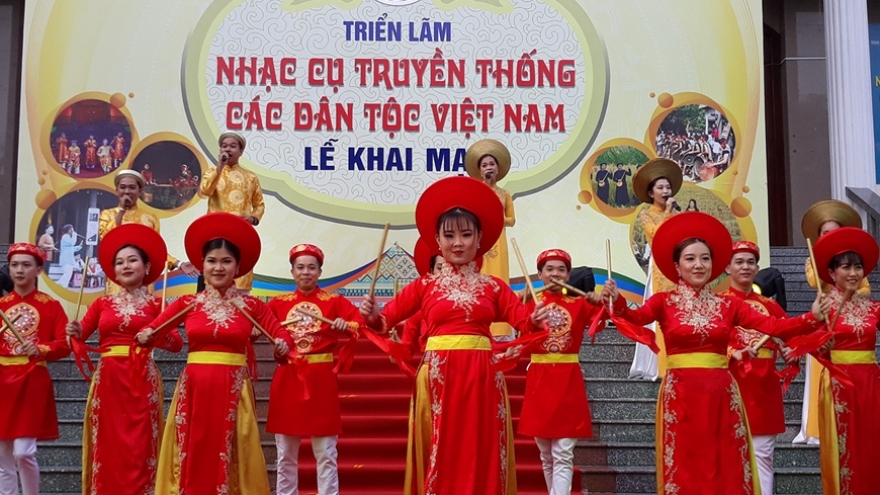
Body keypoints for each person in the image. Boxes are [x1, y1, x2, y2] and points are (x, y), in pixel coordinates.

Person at [604, 212, 829, 495]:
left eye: (705, 258)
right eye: (690, 258)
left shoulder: (727, 306)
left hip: (721, 392)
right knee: (685, 459)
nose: (698, 265)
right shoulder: (663, 301)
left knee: (724, 458)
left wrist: (812, 317)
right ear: (676, 265)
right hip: (680, 394)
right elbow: (636, 318)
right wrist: (618, 301)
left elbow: (774, 326)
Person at [360, 176, 547, 495]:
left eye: (465, 234)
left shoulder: (494, 287)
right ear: (437, 240)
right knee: (440, 446)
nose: (457, 242)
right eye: (449, 235)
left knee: (482, 446)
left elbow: (523, 321)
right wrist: (374, 316)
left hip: (482, 377)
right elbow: (386, 320)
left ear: (479, 239)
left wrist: (536, 318)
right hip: (438, 377)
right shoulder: (424, 285)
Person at [135, 213, 292, 495]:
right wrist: (147, 336)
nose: (218, 268)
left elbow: (281, 335)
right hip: (195, 389)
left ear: (238, 267)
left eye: (226, 261)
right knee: (193, 449)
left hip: (234, 389)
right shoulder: (187, 303)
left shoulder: (252, 306)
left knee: (233, 450)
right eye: (212, 261)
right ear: (201, 265)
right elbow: (152, 330)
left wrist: (282, 346)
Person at [65, 224, 183, 495]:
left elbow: (176, 343)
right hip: (108, 381)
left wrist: (154, 335)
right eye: (119, 263)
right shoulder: (102, 304)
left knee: (141, 445)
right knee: (107, 445)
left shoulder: (157, 305)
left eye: (132, 260)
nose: (125, 266)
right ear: (113, 271)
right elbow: (82, 332)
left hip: (141, 379)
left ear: (146, 266)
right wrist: (74, 332)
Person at [267, 244, 364, 495]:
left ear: (320, 271)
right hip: (288, 379)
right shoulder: (278, 304)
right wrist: (276, 347)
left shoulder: (334, 302)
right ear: (292, 271)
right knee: (286, 453)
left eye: (312, 267)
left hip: (321, 381)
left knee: (326, 452)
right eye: (300, 267)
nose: (306, 272)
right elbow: (261, 327)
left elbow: (359, 324)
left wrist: (346, 324)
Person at [519, 249, 603, 495]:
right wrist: (531, 321)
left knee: (563, 452)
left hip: (568, 381)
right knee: (545, 453)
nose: (555, 273)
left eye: (561, 269)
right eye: (549, 269)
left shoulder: (579, 303)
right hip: (539, 379)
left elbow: (602, 323)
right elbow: (522, 335)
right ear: (540, 274)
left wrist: (601, 303)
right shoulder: (529, 303)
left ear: (567, 275)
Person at [794, 200, 870, 445]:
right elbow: (814, 282)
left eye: (834, 232)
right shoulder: (815, 260)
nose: (830, 236)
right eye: (825, 233)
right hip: (825, 314)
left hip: (852, 315)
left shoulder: (853, 266)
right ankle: (814, 428)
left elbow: (865, 289)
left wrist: (853, 294)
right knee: (820, 370)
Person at [811, 227, 880, 495]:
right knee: (844, 446)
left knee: (872, 444)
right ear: (831, 273)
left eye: (858, 267)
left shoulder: (873, 307)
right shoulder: (824, 307)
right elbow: (807, 344)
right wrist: (821, 345)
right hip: (839, 382)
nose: (853, 273)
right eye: (846, 267)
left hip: (870, 383)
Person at [0, 243, 70, 495]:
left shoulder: (51, 305)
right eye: (15, 265)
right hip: (2, 381)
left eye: (26, 265)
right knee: (3, 455)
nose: (19, 270)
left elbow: (64, 345)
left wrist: (41, 349)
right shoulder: (2, 304)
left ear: (39, 270)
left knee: (23, 452)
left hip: (31, 380)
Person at [722, 241, 790, 495]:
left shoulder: (770, 307)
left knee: (763, 454)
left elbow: (791, 335)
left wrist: (790, 350)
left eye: (750, 262)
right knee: (730, 452)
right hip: (731, 383)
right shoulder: (719, 304)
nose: (745, 267)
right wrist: (734, 353)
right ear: (727, 268)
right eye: (739, 262)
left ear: (757, 267)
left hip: (764, 387)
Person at [99, 170, 198, 294]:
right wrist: (122, 211)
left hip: (144, 282)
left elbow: (155, 251)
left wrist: (179, 264)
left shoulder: (149, 218)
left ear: (140, 191)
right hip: (118, 280)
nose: (127, 191)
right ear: (117, 190)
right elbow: (107, 239)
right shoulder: (107, 215)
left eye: (132, 187)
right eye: (123, 187)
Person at [629, 158, 682, 380]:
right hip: (659, 266)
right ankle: (659, 364)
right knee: (660, 309)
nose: (665, 191)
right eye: (660, 187)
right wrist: (668, 213)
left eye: (667, 187)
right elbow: (659, 236)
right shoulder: (646, 214)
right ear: (651, 193)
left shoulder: (675, 214)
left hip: (676, 267)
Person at [199, 132, 265, 292]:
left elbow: (259, 205)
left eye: (232, 146)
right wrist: (220, 167)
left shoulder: (250, 177)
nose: (227, 149)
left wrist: (253, 219)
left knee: (240, 284)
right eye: (224, 146)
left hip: (240, 235)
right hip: (216, 234)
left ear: (241, 151)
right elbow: (205, 190)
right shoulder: (211, 172)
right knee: (213, 284)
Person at [465, 139, 516, 338]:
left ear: (498, 168)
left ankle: (502, 329)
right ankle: (479, 326)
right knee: (479, 279)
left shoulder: (505, 194)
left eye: (491, 164)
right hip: (479, 241)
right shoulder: (475, 191)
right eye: (484, 165)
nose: (488, 167)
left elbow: (512, 220)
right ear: (480, 170)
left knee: (498, 280)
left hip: (499, 240)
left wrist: (498, 219)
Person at [57, 224, 82, 289]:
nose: (73, 230)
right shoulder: (65, 236)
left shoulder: (68, 238)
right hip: (66, 259)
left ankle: (63, 285)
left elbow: (72, 248)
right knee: (67, 273)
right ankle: (59, 284)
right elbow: (72, 242)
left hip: (69, 259)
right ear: (69, 230)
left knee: (69, 274)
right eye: (72, 229)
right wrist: (74, 235)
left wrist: (79, 246)